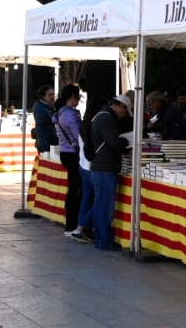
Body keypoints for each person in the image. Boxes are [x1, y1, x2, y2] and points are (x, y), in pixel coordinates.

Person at [78, 93, 131, 251]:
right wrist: (127, 140)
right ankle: (105, 240)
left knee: (101, 204)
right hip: (105, 168)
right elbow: (113, 142)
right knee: (104, 206)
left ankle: (101, 239)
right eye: (125, 111)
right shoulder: (107, 118)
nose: (124, 115)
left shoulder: (100, 116)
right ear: (119, 106)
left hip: (100, 167)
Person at [54, 84, 87, 237]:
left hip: (65, 152)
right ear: (72, 97)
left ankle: (71, 223)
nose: (79, 100)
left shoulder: (61, 113)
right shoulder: (70, 115)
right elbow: (79, 136)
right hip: (73, 154)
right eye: (78, 97)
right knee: (76, 190)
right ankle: (72, 224)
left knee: (73, 188)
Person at [32, 86, 57, 154]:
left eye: (53, 94)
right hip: (45, 143)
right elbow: (39, 128)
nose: (52, 97)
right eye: (49, 95)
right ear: (43, 97)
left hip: (51, 142)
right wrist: (43, 145)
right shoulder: (40, 109)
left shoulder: (49, 106)